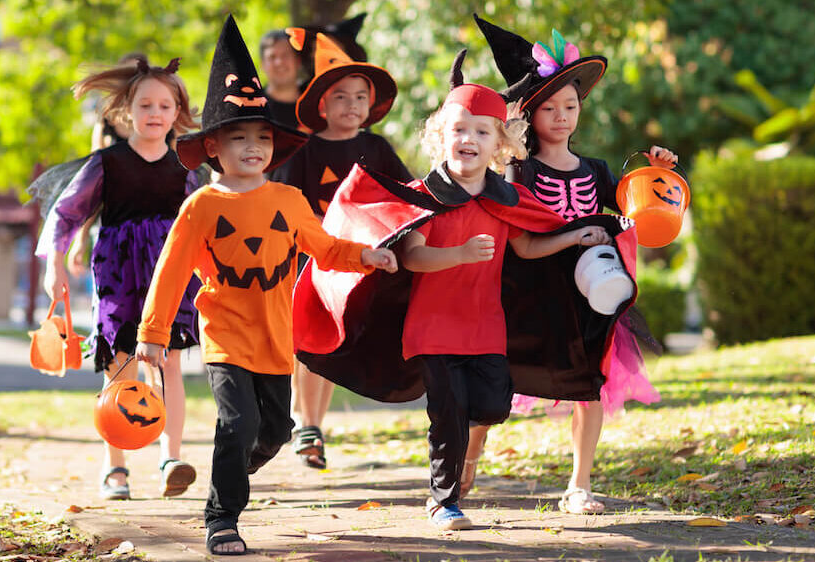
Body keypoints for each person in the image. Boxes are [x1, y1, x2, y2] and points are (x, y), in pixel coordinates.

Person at [134, 16, 398, 556]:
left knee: (274, 431)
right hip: (227, 337)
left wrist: (367, 256)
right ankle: (222, 517)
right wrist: (152, 334)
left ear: (274, 148)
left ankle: (226, 475)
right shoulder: (203, 206)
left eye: (260, 137)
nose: (252, 147)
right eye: (237, 138)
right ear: (213, 147)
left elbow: (324, 249)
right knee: (239, 420)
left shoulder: (288, 202)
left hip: (278, 339)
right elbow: (172, 270)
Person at [462, 16, 675, 513]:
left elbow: (639, 211)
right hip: (529, 294)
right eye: (550, 108)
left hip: (589, 296)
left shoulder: (598, 171)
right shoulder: (519, 170)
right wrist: (571, 234)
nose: (562, 116)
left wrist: (656, 171)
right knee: (497, 384)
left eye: (571, 105)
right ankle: (467, 458)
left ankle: (579, 484)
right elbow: (516, 237)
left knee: (590, 384)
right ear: (529, 115)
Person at [398, 80, 612, 530]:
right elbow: (413, 256)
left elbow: (528, 247)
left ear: (500, 144)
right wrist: (457, 255)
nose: (468, 140)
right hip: (434, 328)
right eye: (458, 130)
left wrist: (574, 235)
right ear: (441, 137)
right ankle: (443, 500)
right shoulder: (426, 194)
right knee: (449, 414)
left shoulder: (504, 198)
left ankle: (459, 458)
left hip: (485, 327)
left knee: (494, 406)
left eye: (481, 132)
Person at [36, 55, 202, 501]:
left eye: (165, 107)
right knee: (120, 365)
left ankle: (172, 457)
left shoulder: (188, 169)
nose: (155, 114)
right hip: (116, 272)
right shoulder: (106, 164)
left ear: (177, 113)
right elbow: (65, 214)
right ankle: (116, 469)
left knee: (169, 363)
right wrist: (54, 266)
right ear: (127, 109)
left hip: (169, 274)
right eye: (145, 105)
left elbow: (206, 225)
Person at [272, 33, 413, 469]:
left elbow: (405, 194)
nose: (352, 106)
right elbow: (285, 200)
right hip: (312, 259)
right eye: (341, 97)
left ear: (371, 106)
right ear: (322, 105)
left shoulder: (376, 148)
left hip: (358, 261)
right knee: (310, 339)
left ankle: (310, 422)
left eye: (360, 97)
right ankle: (306, 422)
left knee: (331, 343)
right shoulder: (306, 149)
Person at [259, 30, 303, 130]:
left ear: (298, 61)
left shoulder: (317, 105)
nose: (279, 62)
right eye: (272, 57)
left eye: (285, 55)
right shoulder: (253, 108)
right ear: (262, 65)